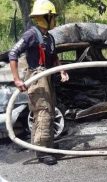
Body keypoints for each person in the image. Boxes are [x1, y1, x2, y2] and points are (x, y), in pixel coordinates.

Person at [8, 0, 69, 165]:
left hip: (47, 77)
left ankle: (46, 146)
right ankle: (42, 152)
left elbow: (54, 56)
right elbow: (13, 54)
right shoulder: (31, 34)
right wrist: (17, 79)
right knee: (42, 112)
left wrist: (62, 70)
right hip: (36, 78)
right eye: (53, 16)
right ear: (46, 17)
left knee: (48, 112)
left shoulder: (48, 37)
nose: (55, 19)